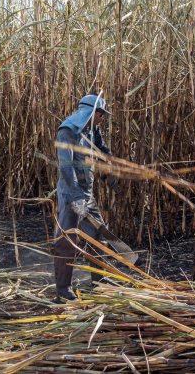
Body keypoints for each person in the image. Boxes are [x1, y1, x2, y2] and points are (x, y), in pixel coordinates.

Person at [53, 94, 116, 303]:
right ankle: (63, 289)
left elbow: (101, 150)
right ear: (94, 113)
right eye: (101, 114)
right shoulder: (67, 131)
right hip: (70, 193)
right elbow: (65, 166)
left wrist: (110, 169)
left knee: (98, 234)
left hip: (86, 193)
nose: (102, 118)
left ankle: (100, 282)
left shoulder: (91, 128)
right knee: (67, 241)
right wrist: (75, 198)